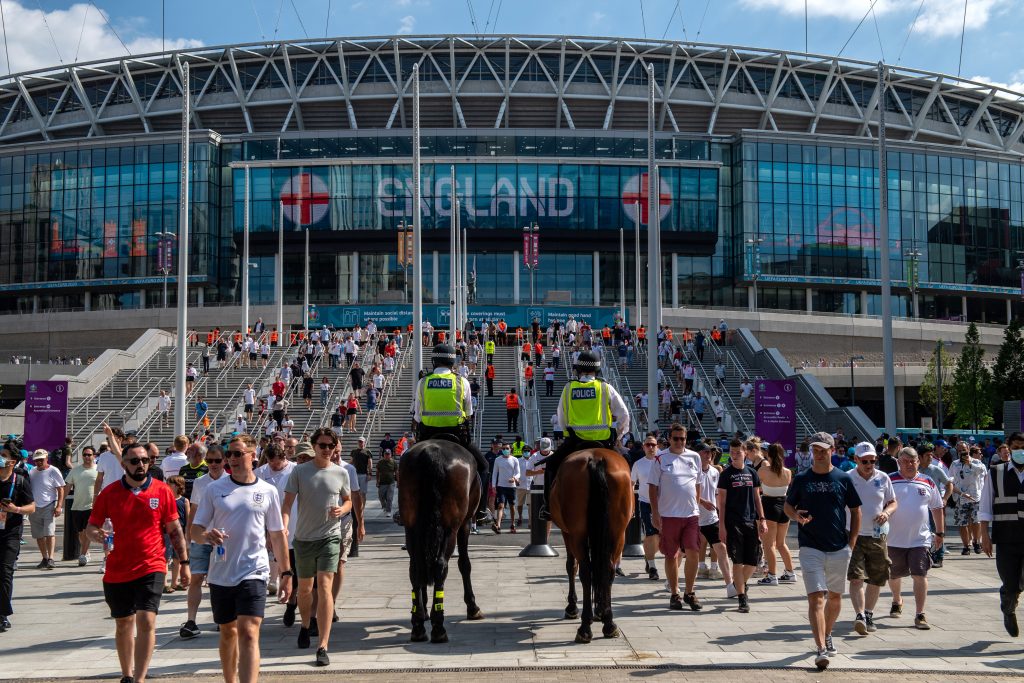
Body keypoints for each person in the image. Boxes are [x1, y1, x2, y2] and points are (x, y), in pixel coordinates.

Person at [191, 434, 293, 683]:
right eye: (229, 455)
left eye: (238, 454)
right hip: (222, 572)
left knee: (248, 632)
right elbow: (195, 530)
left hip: (254, 570)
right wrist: (207, 535)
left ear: (252, 455)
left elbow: (278, 535)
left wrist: (286, 573)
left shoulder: (267, 490)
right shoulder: (215, 489)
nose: (232, 459)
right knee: (228, 632)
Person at [87, 442, 190, 683]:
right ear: (124, 465)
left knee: (146, 619)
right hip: (117, 568)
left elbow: (174, 529)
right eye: (134, 461)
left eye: (145, 460)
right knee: (124, 623)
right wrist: (95, 534)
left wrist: (184, 562)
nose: (141, 465)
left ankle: (140, 678)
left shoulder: (162, 491)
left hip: (151, 564)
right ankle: (127, 674)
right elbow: (92, 526)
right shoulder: (109, 493)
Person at [784, 432, 862, 671]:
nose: (818, 453)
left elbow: (856, 511)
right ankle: (820, 648)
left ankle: (828, 633)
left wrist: (852, 542)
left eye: (823, 449)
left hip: (839, 547)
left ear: (832, 450)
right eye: (815, 449)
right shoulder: (801, 478)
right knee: (817, 597)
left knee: (835, 598)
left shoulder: (843, 478)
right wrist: (795, 516)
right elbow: (788, 505)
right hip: (810, 547)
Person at [282, 427, 352, 666]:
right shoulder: (300, 472)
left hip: (330, 537)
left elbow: (348, 500)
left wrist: (342, 510)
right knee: (304, 590)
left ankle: (323, 645)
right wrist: (283, 527)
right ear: (314, 446)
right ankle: (304, 624)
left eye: (331, 446)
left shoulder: (341, 472)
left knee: (324, 586)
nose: (327, 450)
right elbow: (287, 504)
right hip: (303, 539)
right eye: (322, 445)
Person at [539, 350, 629, 521]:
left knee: (551, 466)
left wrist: (567, 431)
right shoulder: (605, 387)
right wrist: (617, 436)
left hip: (575, 442)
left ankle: (548, 508)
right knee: (626, 466)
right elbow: (624, 415)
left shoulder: (568, 388)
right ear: (597, 370)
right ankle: (629, 507)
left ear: (578, 369)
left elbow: (561, 417)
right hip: (603, 441)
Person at [411, 343, 492, 523]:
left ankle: (405, 509)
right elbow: (469, 412)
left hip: (427, 435)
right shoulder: (461, 381)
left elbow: (417, 415)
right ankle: (481, 511)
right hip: (457, 436)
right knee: (484, 466)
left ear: (434, 361)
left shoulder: (423, 381)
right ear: (452, 362)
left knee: (407, 466)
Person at [887, 447, 944, 630]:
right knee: (894, 574)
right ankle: (897, 600)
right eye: (905, 461)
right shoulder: (889, 480)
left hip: (920, 539)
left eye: (913, 461)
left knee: (920, 574)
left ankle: (920, 614)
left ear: (918, 462)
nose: (909, 464)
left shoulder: (927, 481)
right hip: (893, 539)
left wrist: (940, 532)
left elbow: (937, 507)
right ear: (899, 462)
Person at [651, 423, 704, 611]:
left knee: (693, 552)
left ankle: (690, 592)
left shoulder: (694, 457)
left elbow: (697, 483)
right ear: (669, 439)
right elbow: (652, 487)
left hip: (690, 515)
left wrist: (696, 505)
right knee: (671, 555)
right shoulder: (660, 458)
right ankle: (675, 594)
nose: (680, 442)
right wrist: (655, 513)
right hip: (668, 515)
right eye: (676, 438)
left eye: (682, 438)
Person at [846, 442, 897, 636]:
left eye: (873, 461)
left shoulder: (883, 478)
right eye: (865, 461)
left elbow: (892, 501)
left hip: (877, 534)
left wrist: (886, 512)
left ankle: (868, 613)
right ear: (856, 460)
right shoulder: (848, 478)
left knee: (877, 576)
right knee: (856, 577)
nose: (869, 464)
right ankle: (859, 615)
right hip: (853, 534)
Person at [179, 444, 228, 639]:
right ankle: (191, 620)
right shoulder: (200, 482)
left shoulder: (231, 481)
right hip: (201, 536)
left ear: (224, 461)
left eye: (217, 460)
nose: (214, 464)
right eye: (210, 460)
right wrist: (188, 535)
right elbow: (194, 509)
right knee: (197, 578)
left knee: (219, 581)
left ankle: (220, 617)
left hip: (222, 539)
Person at [979, 431, 1024, 636]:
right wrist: (984, 535)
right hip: (1006, 538)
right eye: (1015, 447)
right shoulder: (995, 472)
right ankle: (1008, 607)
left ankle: (1012, 597)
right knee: (1010, 581)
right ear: (1008, 449)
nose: (1020, 451)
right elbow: (986, 505)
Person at [717, 438, 767, 613]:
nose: (734, 454)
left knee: (753, 562)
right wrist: (721, 526)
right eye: (732, 451)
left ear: (746, 453)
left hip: (750, 521)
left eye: (738, 452)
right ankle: (742, 598)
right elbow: (721, 503)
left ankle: (740, 583)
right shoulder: (726, 474)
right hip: (732, 522)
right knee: (737, 562)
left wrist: (762, 519)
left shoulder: (752, 472)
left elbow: (757, 498)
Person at [0, 452, 36, 631]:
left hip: (11, 533)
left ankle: (3, 614)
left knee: (5, 572)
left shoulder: (20, 482)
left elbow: (32, 507)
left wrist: (17, 509)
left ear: (11, 464)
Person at [756, 442, 797, 586]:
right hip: (784, 506)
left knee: (769, 544)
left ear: (768, 454)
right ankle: (790, 572)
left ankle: (772, 576)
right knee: (781, 543)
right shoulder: (788, 472)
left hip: (769, 505)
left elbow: (756, 488)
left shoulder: (763, 470)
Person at [695, 441, 733, 594]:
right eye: (705, 452)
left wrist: (721, 510)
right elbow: (687, 492)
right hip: (692, 515)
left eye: (710, 452)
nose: (709, 454)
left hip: (711, 517)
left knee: (721, 548)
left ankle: (730, 585)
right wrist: (703, 502)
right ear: (697, 455)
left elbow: (717, 494)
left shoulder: (715, 472)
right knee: (682, 553)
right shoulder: (691, 471)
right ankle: (672, 582)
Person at [28, 449, 65, 569]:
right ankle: (44, 557)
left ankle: (51, 558)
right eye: (36, 460)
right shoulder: (32, 471)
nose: (38, 462)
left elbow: (61, 489)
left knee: (49, 533)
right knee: (38, 535)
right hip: (34, 507)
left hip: (49, 505)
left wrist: (59, 506)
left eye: (41, 460)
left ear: (46, 458)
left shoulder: (53, 470)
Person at [631, 435, 661, 581]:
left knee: (660, 539)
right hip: (645, 503)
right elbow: (631, 484)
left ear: (657, 446)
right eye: (648, 445)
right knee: (651, 535)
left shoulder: (663, 461)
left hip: (664, 504)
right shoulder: (638, 464)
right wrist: (631, 504)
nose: (650, 448)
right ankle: (652, 567)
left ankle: (648, 557)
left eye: (653, 445)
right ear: (643, 447)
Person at [917, 444, 952, 568]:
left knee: (937, 530)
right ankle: (925, 556)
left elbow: (949, 484)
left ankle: (939, 557)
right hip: (920, 506)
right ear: (919, 457)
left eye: (931, 455)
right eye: (927, 455)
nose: (930, 457)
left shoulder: (936, 470)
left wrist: (945, 498)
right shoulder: (915, 469)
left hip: (934, 507)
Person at [949, 446, 987, 555]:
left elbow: (981, 472)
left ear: (969, 450)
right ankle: (966, 546)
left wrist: (970, 463)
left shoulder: (977, 462)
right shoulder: (955, 464)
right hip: (961, 497)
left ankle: (976, 541)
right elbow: (950, 479)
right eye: (960, 451)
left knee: (976, 521)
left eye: (965, 450)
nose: (963, 453)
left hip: (976, 497)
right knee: (962, 523)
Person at [66, 446, 99, 566]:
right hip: (77, 506)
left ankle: (83, 554)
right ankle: (86, 552)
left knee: (87, 531)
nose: (86, 457)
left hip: (92, 505)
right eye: (84, 454)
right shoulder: (75, 470)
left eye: (89, 455)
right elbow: (68, 486)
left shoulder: (98, 470)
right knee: (81, 533)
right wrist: (60, 503)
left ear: (94, 456)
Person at [491, 445, 521, 533]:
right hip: (501, 486)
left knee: (512, 506)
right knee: (500, 506)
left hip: (512, 487)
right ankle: (498, 525)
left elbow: (518, 473)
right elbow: (494, 473)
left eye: (507, 448)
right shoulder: (498, 459)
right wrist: (493, 485)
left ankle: (512, 524)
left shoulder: (515, 459)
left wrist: (514, 478)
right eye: (503, 449)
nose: (505, 450)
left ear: (511, 449)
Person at [376, 449, 398, 515]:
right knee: (381, 496)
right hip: (382, 483)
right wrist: (377, 481)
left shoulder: (393, 462)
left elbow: (396, 472)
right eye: (386, 454)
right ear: (384, 454)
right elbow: (377, 472)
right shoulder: (380, 462)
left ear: (390, 455)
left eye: (388, 454)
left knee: (389, 498)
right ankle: (384, 506)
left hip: (391, 482)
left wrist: (398, 482)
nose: (387, 455)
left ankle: (388, 511)